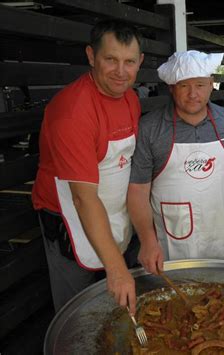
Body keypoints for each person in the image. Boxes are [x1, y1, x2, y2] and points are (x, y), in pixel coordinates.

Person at [32, 20, 144, 314]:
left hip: (113, 210)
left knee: (115, 304)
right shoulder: (72, 111)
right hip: (70, 219)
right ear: (91, 56)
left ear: (139, 62)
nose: (121, 71)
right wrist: (117, 271)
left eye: (129, 62)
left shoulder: (130, 98)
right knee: (79, 311)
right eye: (111, 59)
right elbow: (83, 198)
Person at [127, 50, 224, 274]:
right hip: (174, 242)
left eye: (200, 85)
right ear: (171, 88)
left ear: (211, 84)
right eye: (184, 86)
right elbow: (138, 190)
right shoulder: (151, 127)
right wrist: (147, 241)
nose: (193, 94)